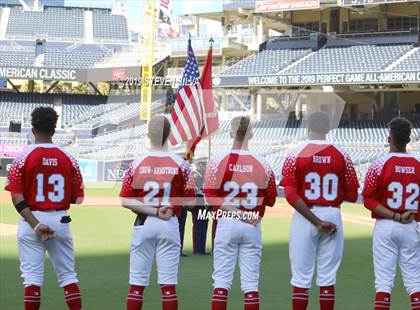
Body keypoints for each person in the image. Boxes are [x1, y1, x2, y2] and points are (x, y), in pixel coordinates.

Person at [4, 107, 84, 310]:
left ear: (32, 129)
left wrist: (36, 224)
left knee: (31, 279)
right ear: (54, 131)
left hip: (31, 221)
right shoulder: (69, 158)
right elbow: (78, 198)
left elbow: (15, 195)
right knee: (68, 276)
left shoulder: (22, 158)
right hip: (60, 219)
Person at [279, 111, 359, 310]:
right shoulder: (342, 155)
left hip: (305, 215)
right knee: (327, 278)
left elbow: (290, 194)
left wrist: (315, 221)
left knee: (300, 279)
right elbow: (352, 195)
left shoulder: (295, 152)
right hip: (332, 213)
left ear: (308, 127)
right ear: (329, 128)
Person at [120, 115, 197, 310]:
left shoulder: (136, 163)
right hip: (169, 224)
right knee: (168, 286)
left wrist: (154, 210)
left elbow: (126, 200)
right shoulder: (181, 164)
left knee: (136, 286)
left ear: (148, 134)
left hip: (144, 223)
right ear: (169, 135)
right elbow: (190, 202)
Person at [203, 116, 277, 310]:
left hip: (226, 222)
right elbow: (270, 200)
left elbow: (210, 197)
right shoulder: (264, 163)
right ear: (251, 134)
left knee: (221, 283)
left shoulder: (218, 160)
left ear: (231, 133)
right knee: (251, 284)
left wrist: (235, 211)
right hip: (253, 223)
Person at [362, 117, 419, 310]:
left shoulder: (379, 164)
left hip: (386, 225)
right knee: (415, 282)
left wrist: (394, 216)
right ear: (408, 140)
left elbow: (368, 200)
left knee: (384, 283)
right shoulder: (418, 165)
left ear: (389, 138)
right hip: (411, 226)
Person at [191, 160, 210, 255]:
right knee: (198, 226)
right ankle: (197, 249)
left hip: (204, 203)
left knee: (204, 226)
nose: (206, 167)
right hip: (198, 202)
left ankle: (201, 248)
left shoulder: (204, 176)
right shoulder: (196, 176)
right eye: (204, 166)